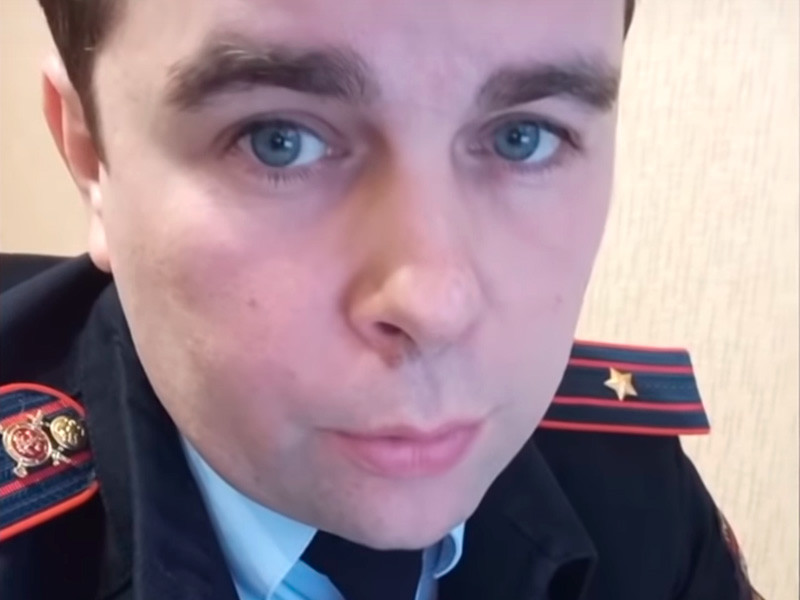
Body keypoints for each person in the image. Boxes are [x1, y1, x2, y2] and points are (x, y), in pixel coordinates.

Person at [0, 1, 762, 598]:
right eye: (277, 138)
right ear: (90, 155)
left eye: (524, 137)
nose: (435, 307)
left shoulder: (634, 493)